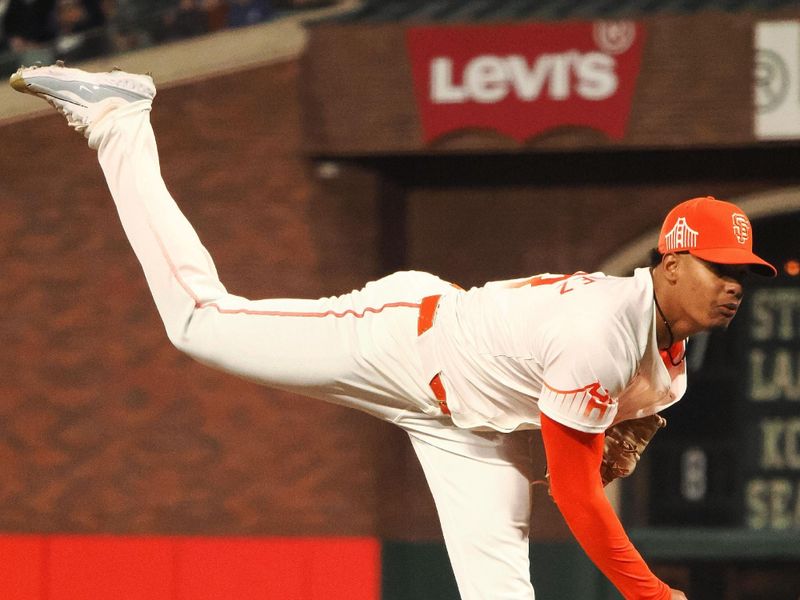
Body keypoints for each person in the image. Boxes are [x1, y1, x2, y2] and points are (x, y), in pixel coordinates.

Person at [9, 63, 777, 600]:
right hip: (406, 345)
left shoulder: (670, 366)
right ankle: (118, 116)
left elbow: (594, 454)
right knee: (199, 324)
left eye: (745, 273)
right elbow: (577, 497)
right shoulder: (603, 328)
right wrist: (647, 593)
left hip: (475, 433)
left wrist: (615, 433)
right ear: (672, 263)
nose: (734, 285)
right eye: (719, 267)